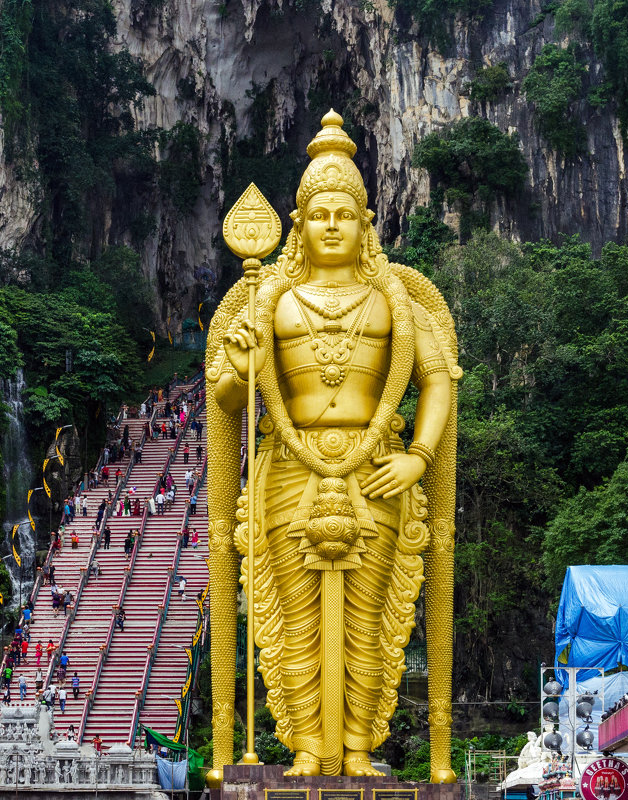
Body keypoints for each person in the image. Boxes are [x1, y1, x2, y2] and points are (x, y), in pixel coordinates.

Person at [204, 112, 457, 781]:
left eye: (346, 213)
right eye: (320, 214)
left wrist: (418, 457)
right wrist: (239, 364)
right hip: (290, 467)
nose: (333, 225)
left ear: (367, 223)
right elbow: (229, 398)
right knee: (292, 619)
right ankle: (305, 746)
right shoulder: (272, 298)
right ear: (299, 225)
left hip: (377, 470)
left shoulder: (394, 298)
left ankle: (357, 748)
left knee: (370, 621)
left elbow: (437, 382)